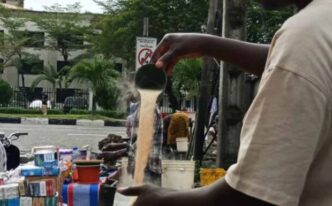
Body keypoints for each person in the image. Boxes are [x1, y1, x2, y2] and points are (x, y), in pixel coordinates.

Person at [118, 0, 332, 205]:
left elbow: (253, 197)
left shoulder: (305, 38)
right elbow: (289, 60)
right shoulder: (321, 25)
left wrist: (162, 200)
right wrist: (206, 44)